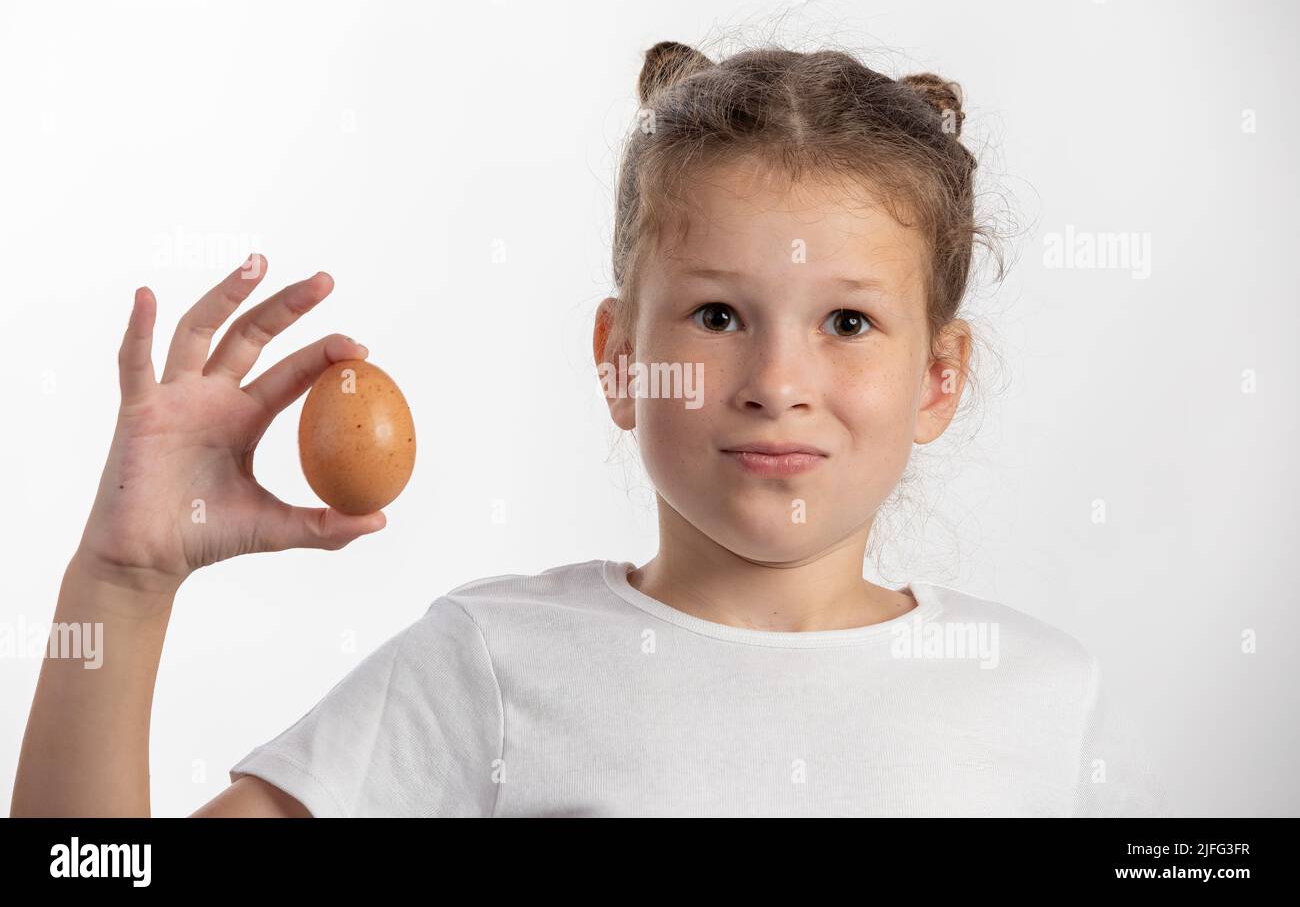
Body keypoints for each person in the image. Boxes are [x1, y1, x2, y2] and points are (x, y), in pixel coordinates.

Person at [10, 40, 1165, 817]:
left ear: (938, 376)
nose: (775, 377)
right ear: (620, 357)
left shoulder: (1041, 692)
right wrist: (122, 583)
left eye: (848, 321)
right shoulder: (490, 664)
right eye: (718, 314)